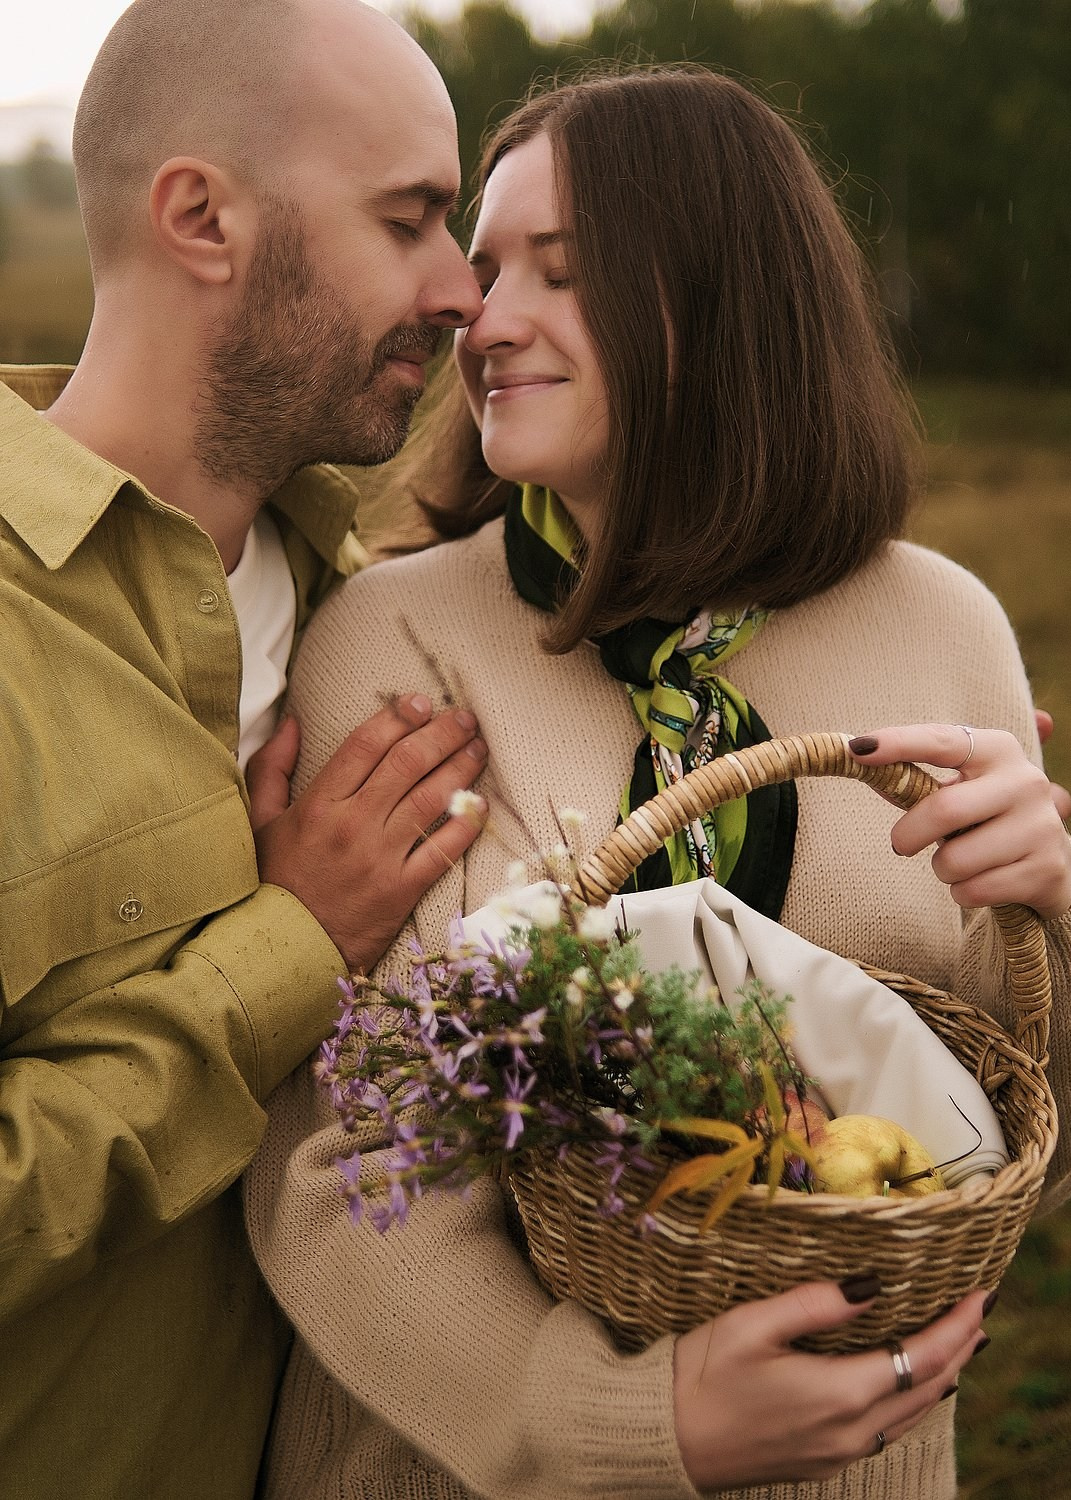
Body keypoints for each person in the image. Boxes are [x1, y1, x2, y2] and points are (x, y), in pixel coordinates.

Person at [245, 69, 1071, 1500]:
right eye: (482, 269)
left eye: (563, 273)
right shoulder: (396, 643)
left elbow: (1038, 1153)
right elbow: (337, 1168)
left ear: (723, 300)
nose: (485, 318)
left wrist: (1055, 911)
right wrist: (612, 1423)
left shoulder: (943, 628)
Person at [0, 2, 491, 1496]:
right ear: (201, 216)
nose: (461, 288)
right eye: (409, 219)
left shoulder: (388, 613)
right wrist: (284, 953)